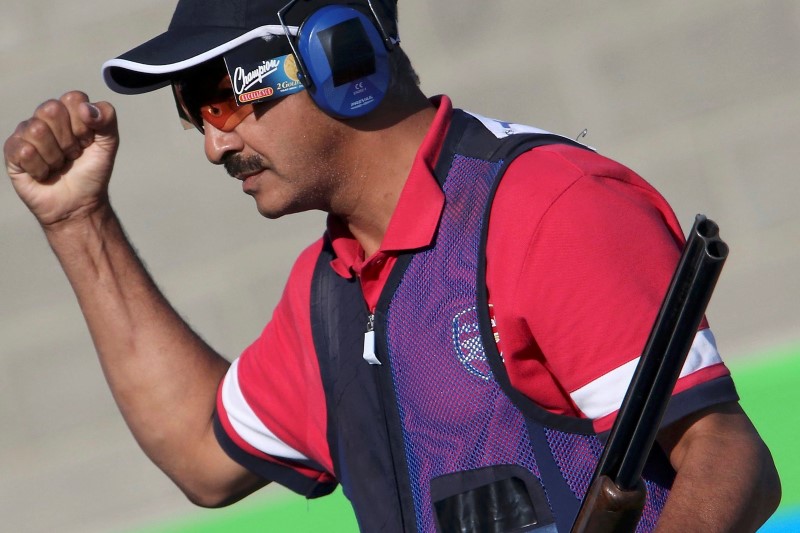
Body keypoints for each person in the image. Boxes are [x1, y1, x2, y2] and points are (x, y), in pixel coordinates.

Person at [3, 0, 781, 531]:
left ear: (338, 53)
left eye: (222, 98)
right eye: (191, 111)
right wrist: (78, 220)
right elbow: (202, 456)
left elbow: (726, 455)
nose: (214, 144)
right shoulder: (333, 285)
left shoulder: (549, 207)